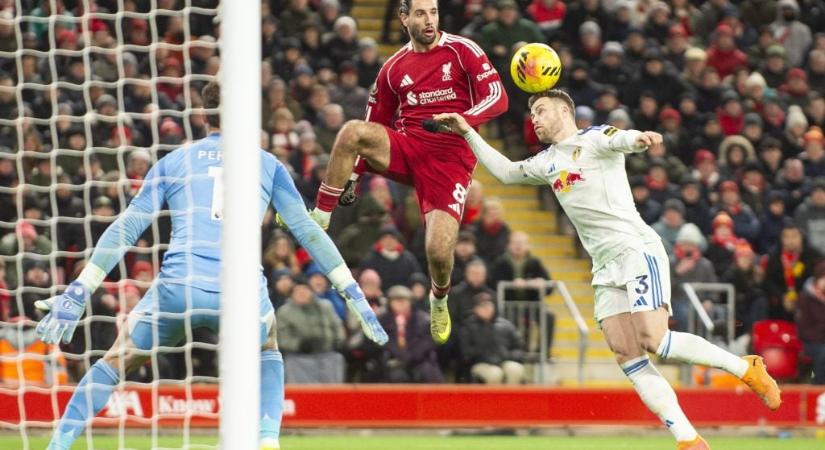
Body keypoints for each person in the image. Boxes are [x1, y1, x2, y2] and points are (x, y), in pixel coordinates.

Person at [34, 82, 387, 450]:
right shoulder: (268, 164)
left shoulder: (174, 161)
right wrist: (351, 289)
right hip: (239, 294)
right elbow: (307, 231)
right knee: (267, 347)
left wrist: (81, 288)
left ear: (203, 116)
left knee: (115, 361)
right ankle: (267, 439)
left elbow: (129, 226)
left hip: (179, 288)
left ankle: (58, 444)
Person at [432, 89, 780, 450]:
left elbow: (622, 138)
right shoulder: (547, 162)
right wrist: (466, 131)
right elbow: (505, 172)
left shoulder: (595, 138)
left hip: (635, 249)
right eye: (531, 113)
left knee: (654, 339)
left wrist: (640, 139)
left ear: (564, 110)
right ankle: (689, 440)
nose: (533, 118)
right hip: (603, 267)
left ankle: (744, 368)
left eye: (540, 110)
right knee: (627, 354)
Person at [289, 0, 508, 345]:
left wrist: (464, 121)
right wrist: (356, 176)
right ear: (404, 18)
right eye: (421, 13)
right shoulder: (393, 68)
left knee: (438, 251)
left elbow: (497, 97)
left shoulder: (463, 50)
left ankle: (439, 298)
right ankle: (320, 217)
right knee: (351, 131)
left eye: (433, 12)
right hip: (408, 148)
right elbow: (374, 125)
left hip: (450, 160)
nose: (429, 20)